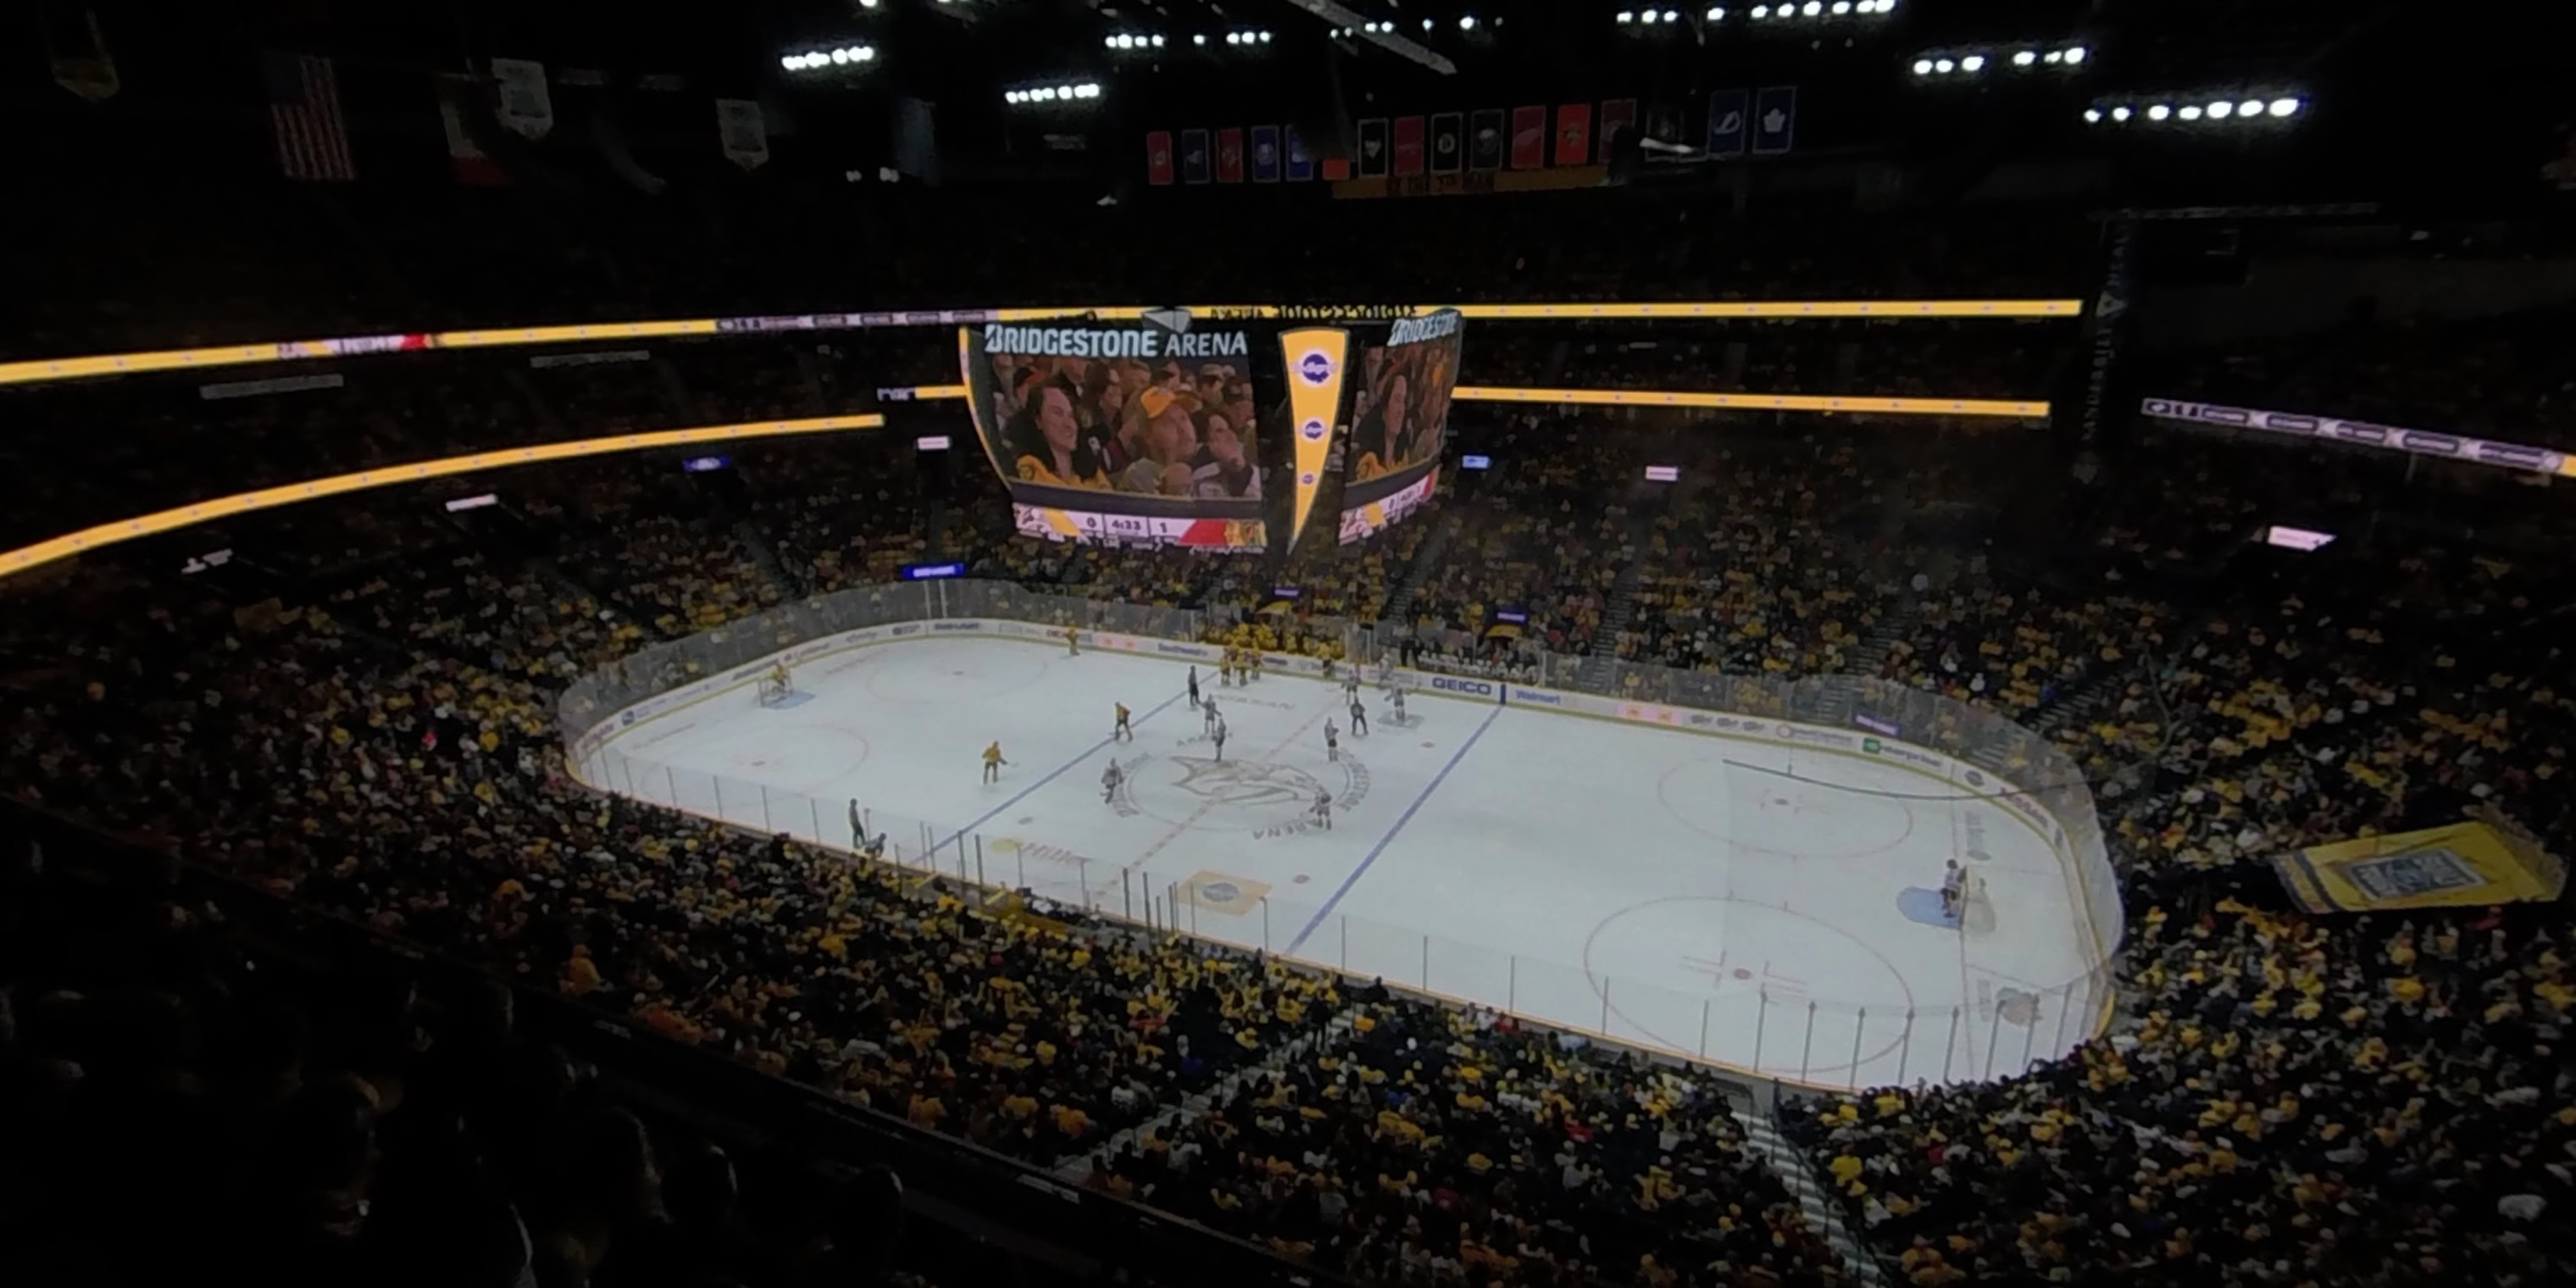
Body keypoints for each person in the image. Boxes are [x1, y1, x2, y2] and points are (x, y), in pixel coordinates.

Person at [1010, 380, 1111, 489]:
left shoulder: (1094, 474)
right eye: (1058, 413)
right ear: (1038, 421)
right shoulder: (1028, 466)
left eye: (1071, 416)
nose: (1069, 425)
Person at [1187, 411, 1262, 500]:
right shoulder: (1199, 475)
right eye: (1220, 431)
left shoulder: (1254, 470)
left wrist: (1240, 468)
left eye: (1230, 429)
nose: (1230, 436)